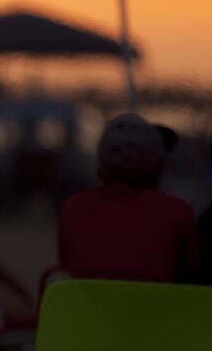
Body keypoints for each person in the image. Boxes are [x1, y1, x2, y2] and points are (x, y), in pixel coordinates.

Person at [57, 112, 198, 283]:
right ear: (158, 166)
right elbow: (190, 275)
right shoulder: (178, 213)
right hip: (153, 308)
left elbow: (68, 264)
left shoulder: (73, 207)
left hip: (86, 308)